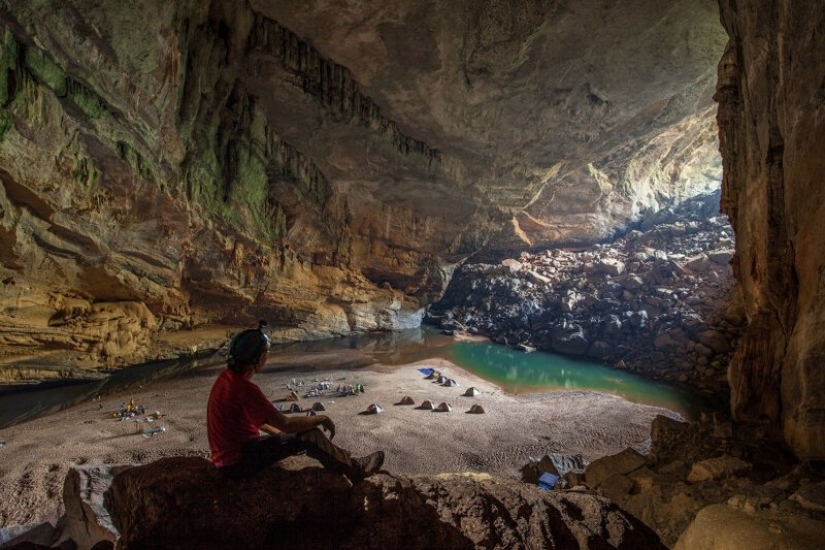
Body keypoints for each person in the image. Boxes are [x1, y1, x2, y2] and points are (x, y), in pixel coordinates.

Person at [207, 321, 384, 482]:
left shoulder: (225, 379)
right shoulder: (244, 389)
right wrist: (320, 419)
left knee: (294, 436)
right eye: (266, 354)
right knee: (310, 434)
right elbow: (286, 423)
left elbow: (260, 421)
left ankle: (347, 462)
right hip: (237, 464)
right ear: (260, 359)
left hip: (226, 460)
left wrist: (281, 436)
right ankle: (355, 469)